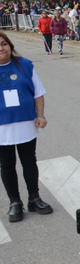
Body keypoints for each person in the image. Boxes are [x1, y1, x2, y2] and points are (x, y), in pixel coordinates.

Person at [0, 33, 51, 222]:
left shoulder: (25, 65)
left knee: (29, 161)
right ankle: (15, 202)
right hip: (1, 127)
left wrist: (41, 115)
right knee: (6, 165)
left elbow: (38, 93)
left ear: (10, 45)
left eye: (4, 43)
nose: (1, 48)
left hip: (26, 122)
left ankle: (34, 198)